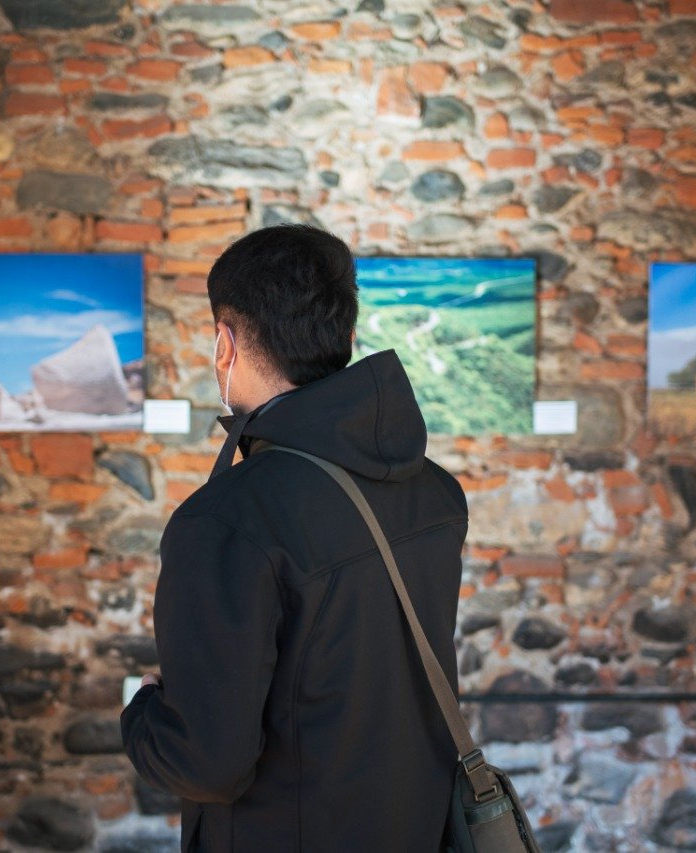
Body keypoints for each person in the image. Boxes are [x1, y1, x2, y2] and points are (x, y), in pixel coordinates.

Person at [120, 224, 468, 852]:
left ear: (224, 343)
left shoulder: (227, 520)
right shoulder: (437, 492)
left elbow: (206, 763)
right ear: (346, 335)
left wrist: (141, 713)